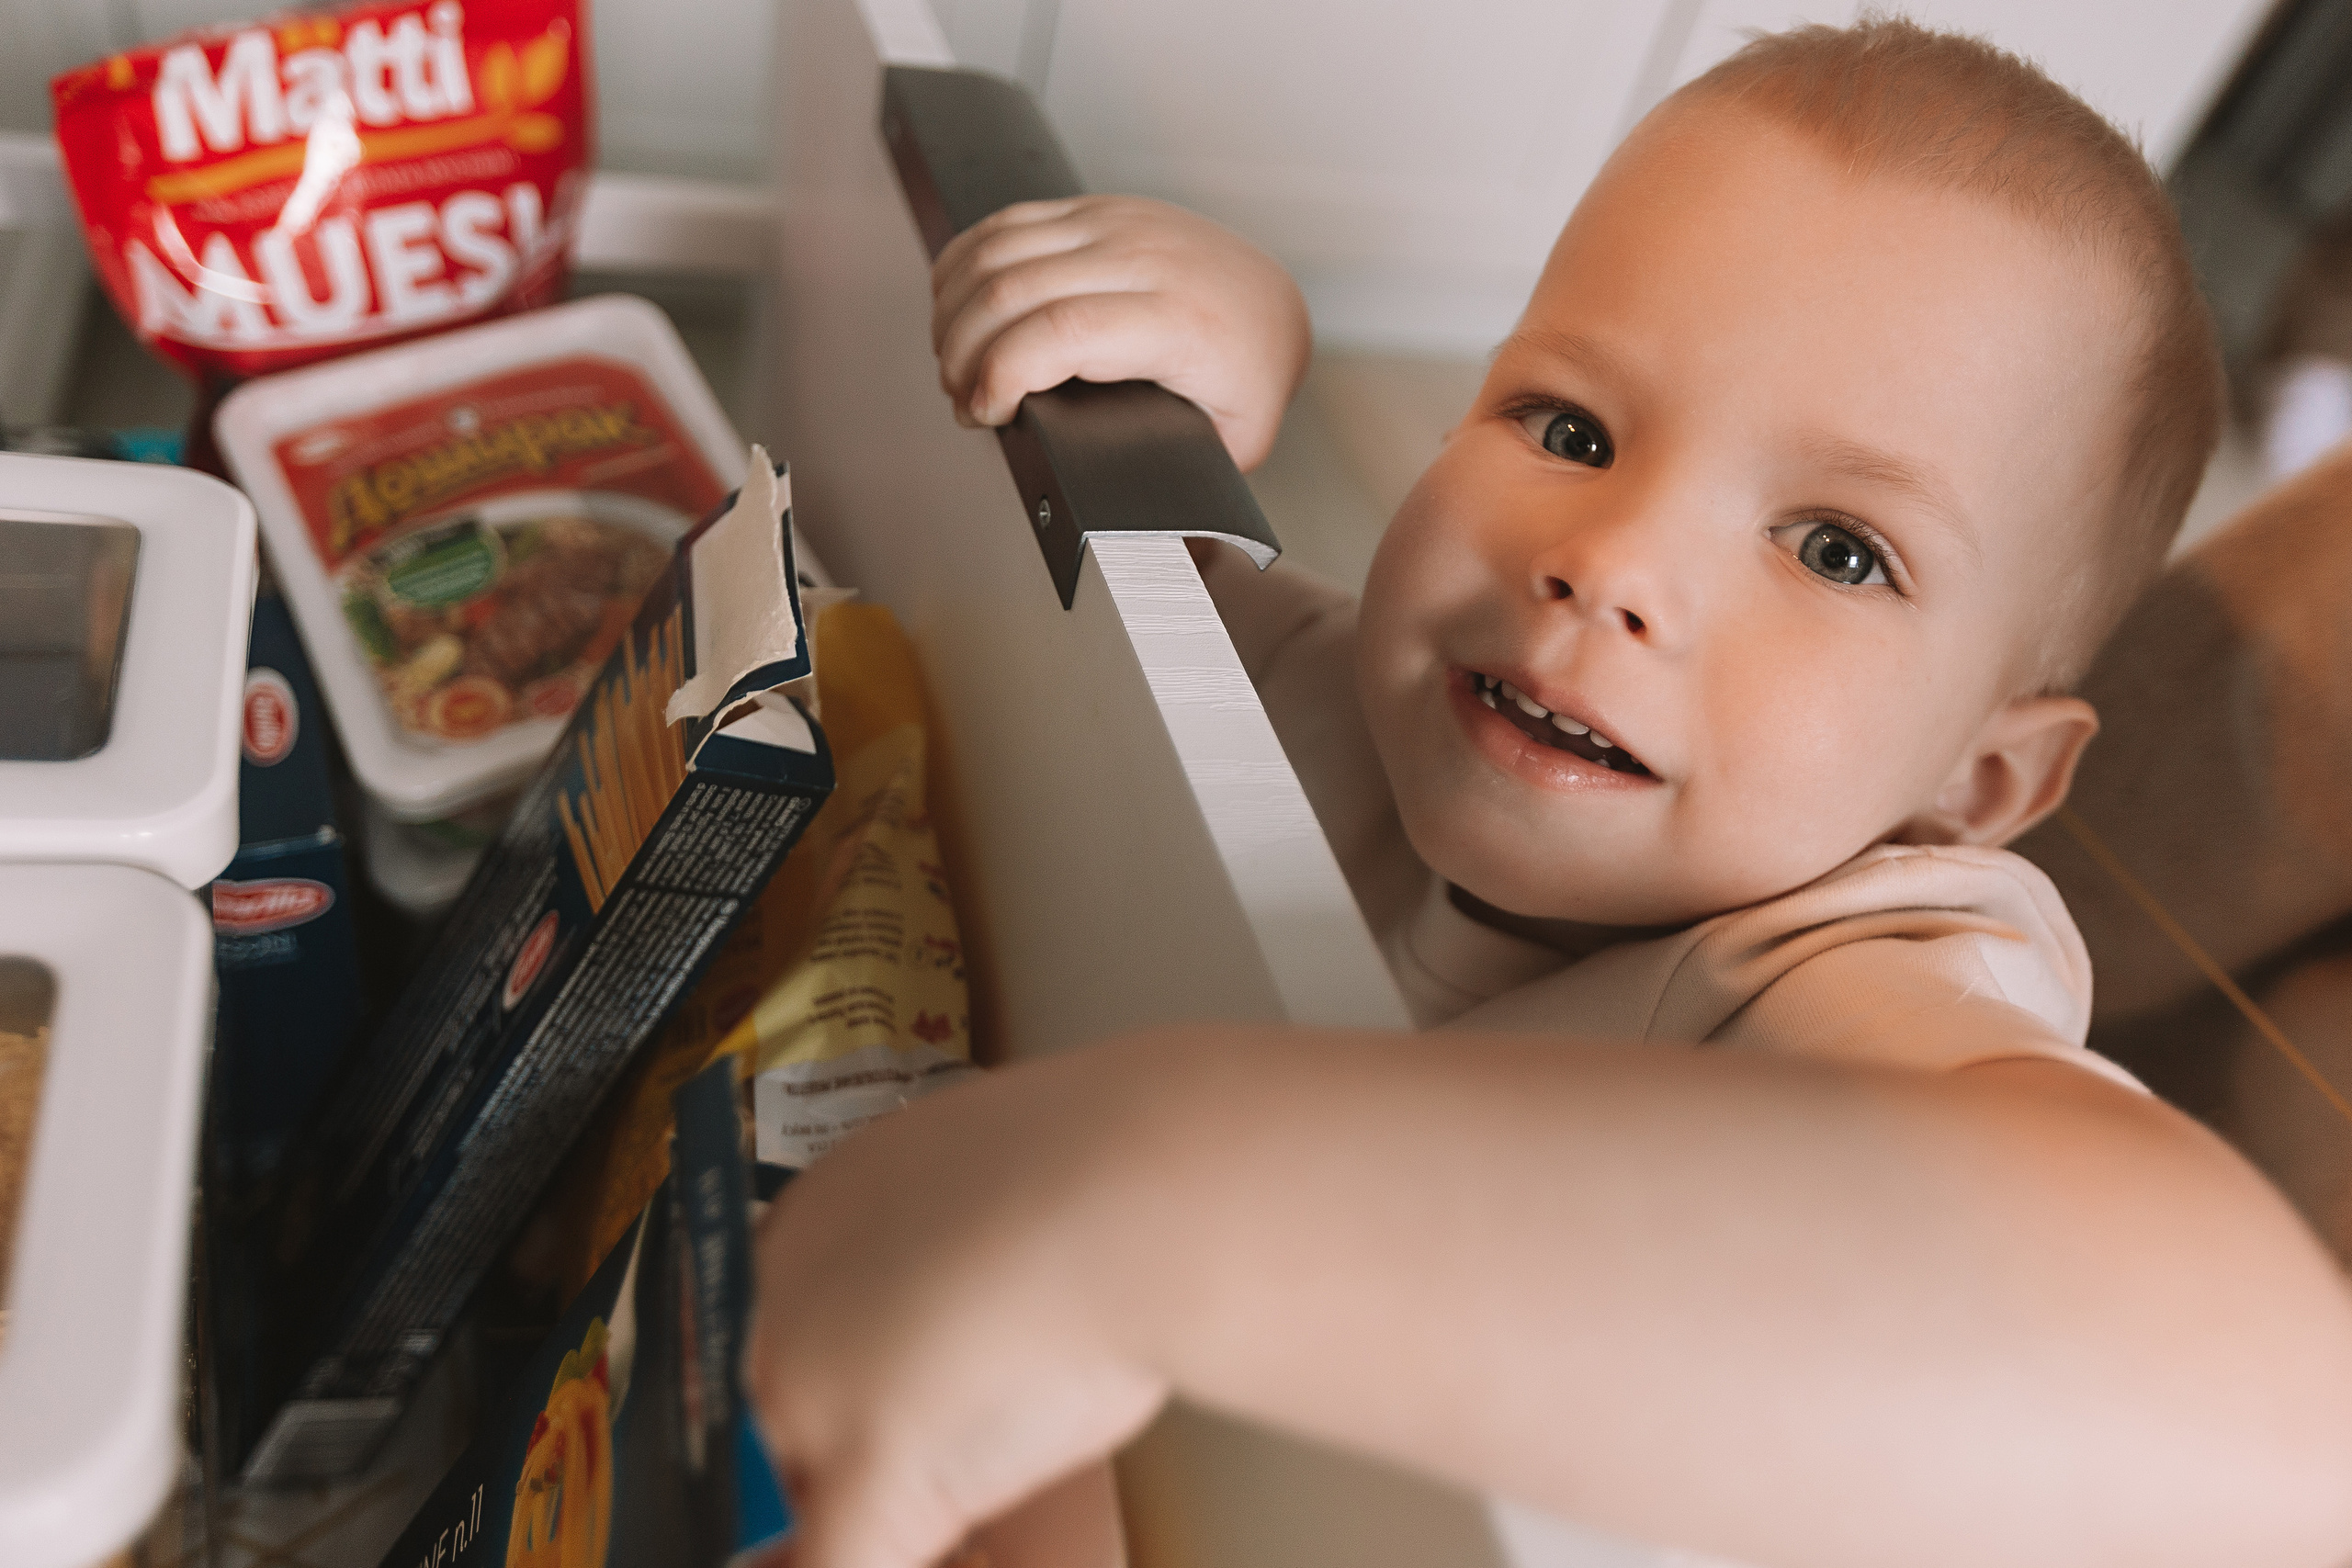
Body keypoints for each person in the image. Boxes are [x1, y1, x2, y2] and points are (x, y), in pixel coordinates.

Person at [749, 20, 2352, 1567]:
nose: (1611, 562)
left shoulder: (1847, 979)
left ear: (1979, 780)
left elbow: (2272, 1408)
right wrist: (1180, 404)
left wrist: (1133, 1204)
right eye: (1568, 424)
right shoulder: (1348, 695)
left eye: (1837, 549)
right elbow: (1090, 671)